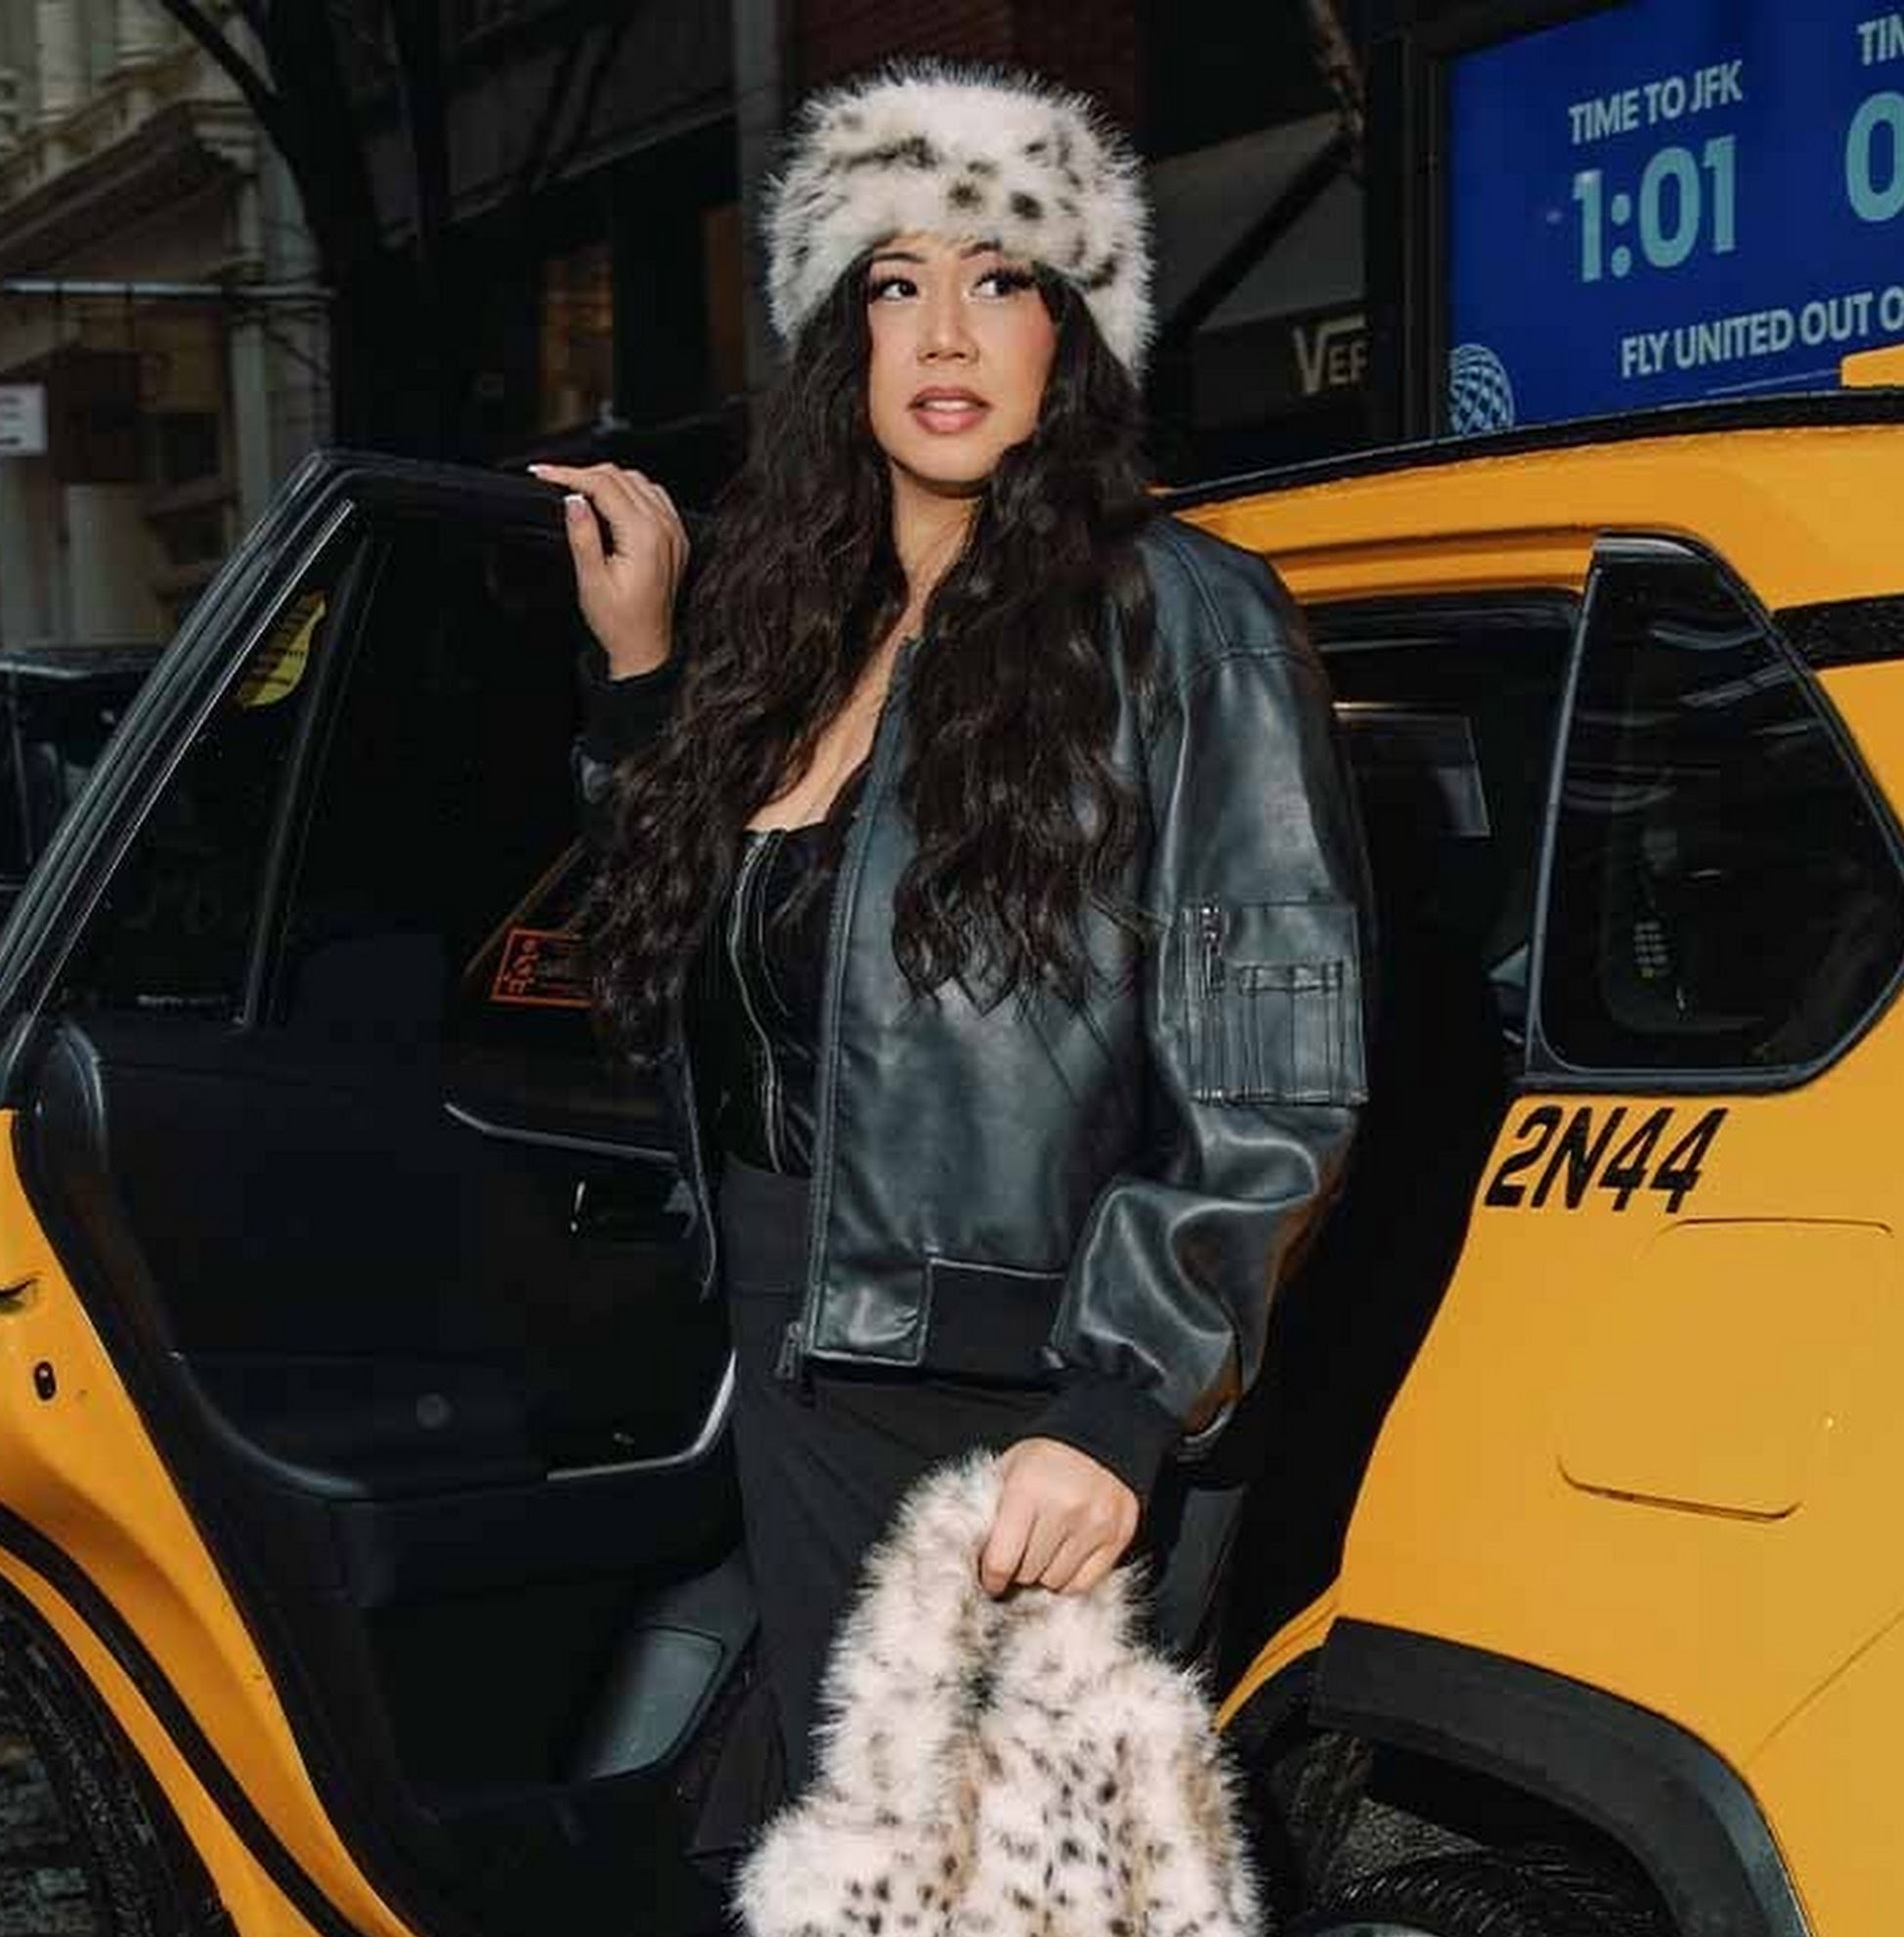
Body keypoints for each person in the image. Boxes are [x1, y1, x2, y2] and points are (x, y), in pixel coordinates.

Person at [530, 58, 1370, 1801]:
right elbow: (677, 975)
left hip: (1024, 1399)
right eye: (895, 284)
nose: (944, 333)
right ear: (842, 342)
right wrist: (644, 679)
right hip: (795, 1352)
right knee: (854, 1865)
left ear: (1075, 335)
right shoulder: (797, 638)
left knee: (1001, 1879)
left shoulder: (1181, 616)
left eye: (1000, 282)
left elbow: (1276, 1070)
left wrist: (1121, 1407)